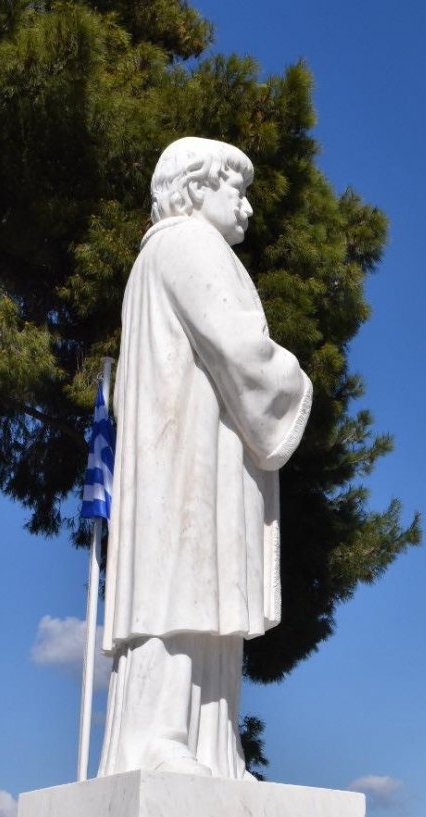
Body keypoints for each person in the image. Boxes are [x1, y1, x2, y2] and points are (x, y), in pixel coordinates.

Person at [98, 137, 313, 778]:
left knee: (198, 589)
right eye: (237, 190)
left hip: (196, 447)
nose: (247, 208)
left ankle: (210, 744)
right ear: (196, 188)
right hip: (187, 455)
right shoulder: (189, 244)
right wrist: (298, 386)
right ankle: (164, 736)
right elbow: (240, 346)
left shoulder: (156, 256)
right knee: (180, 584)